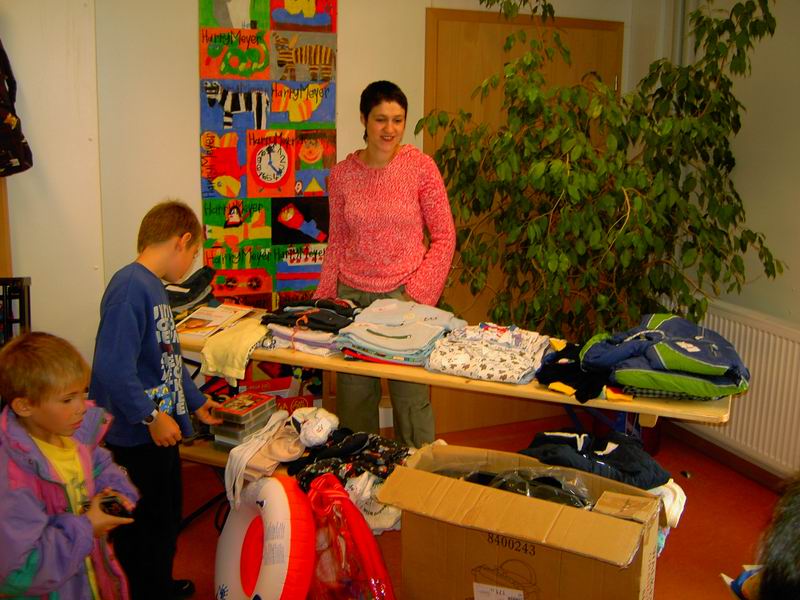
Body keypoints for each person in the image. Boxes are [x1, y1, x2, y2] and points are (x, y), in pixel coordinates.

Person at [89, 200, 222, 600]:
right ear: (182, 240)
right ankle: (145, 591)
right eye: (193, 253)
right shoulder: (131, 288)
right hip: (135, 435)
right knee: (142, 527)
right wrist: (151, 417)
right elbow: (112, 367)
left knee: (165, 517)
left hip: (157, 430)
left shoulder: (153, 287)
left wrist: (196, 401)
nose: (191, 262)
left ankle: (159, 584)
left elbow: (167, 357)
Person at [314, 80, 456, 448]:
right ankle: (362, 469)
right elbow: (337, 241)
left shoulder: (421, 168)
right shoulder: (341, 175)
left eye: (398, 120)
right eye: (381, 119)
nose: (389, 129)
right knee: (355, 402)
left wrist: (417, 295)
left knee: (411, 401)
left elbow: (444, 236)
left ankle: (418, 472)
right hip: (354, 300)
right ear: (364, 119)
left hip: (405, 299)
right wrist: (325, 300)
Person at [0, 332, 138, 599]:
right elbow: (19, 573)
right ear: (24, 406)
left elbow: (103, 469)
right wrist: (87, 527)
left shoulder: (74, 438)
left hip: (89, 578)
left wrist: (115, 496)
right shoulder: (12, 478)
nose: (82, 407)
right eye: (67, 399)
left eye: (82, 393)